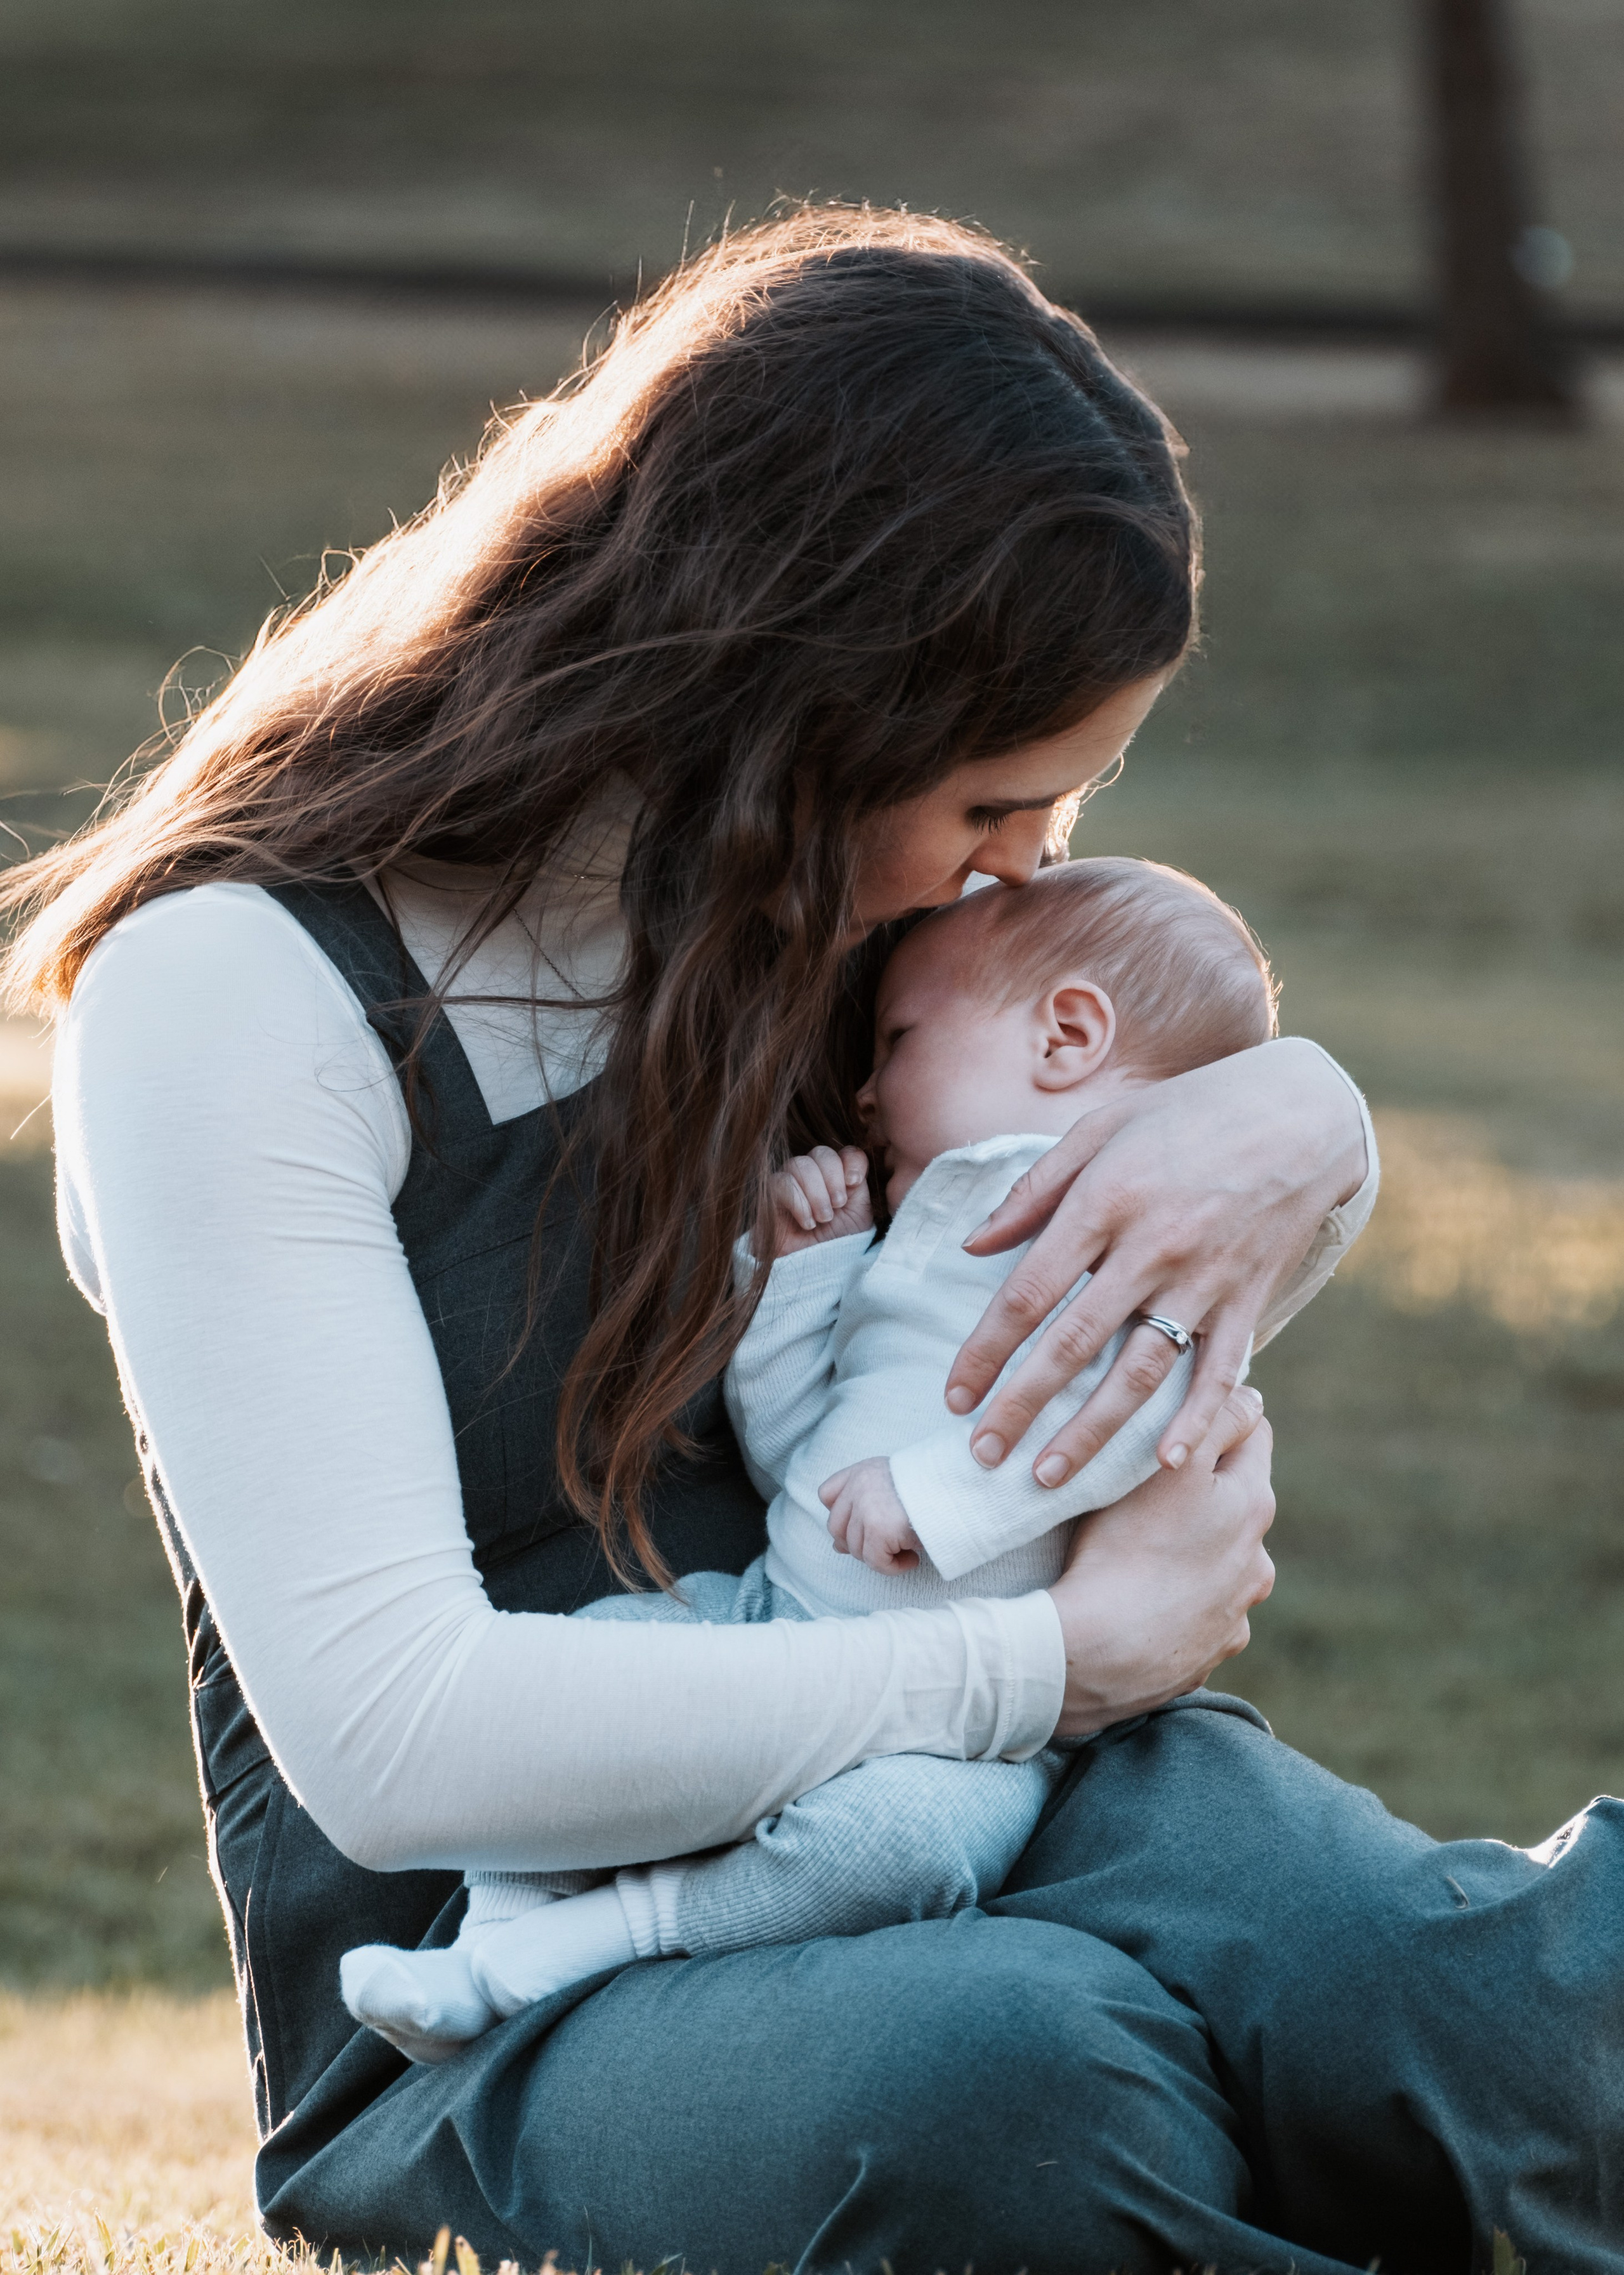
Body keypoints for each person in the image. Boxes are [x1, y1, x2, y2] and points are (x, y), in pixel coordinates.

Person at [5, 208, 1617, 2272]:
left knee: (1490, 2004)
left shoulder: (851, 925)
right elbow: (399, 1739)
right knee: (1020, 2074)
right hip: (512, 1971)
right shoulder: (236, 993)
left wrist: (1303, 1121)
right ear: (797, 707)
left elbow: (1126, 1102)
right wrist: (1047, 1660)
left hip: (991, 1786)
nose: (1022, 872)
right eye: (992, 805)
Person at [340, 855, 1368, 2066]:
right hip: (773, 1614)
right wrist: (803, 1270)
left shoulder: (1130, 1223)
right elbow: (810, 1465)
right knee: (593, 1674)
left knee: (911, 1843)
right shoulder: (926, 1218)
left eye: (898, 1040)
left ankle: (592, 1943)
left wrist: (933, 1499)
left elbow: (1127, 1417)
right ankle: (491, 1940)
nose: (867, 1093)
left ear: (1067, 1036)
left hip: (972, 1738)